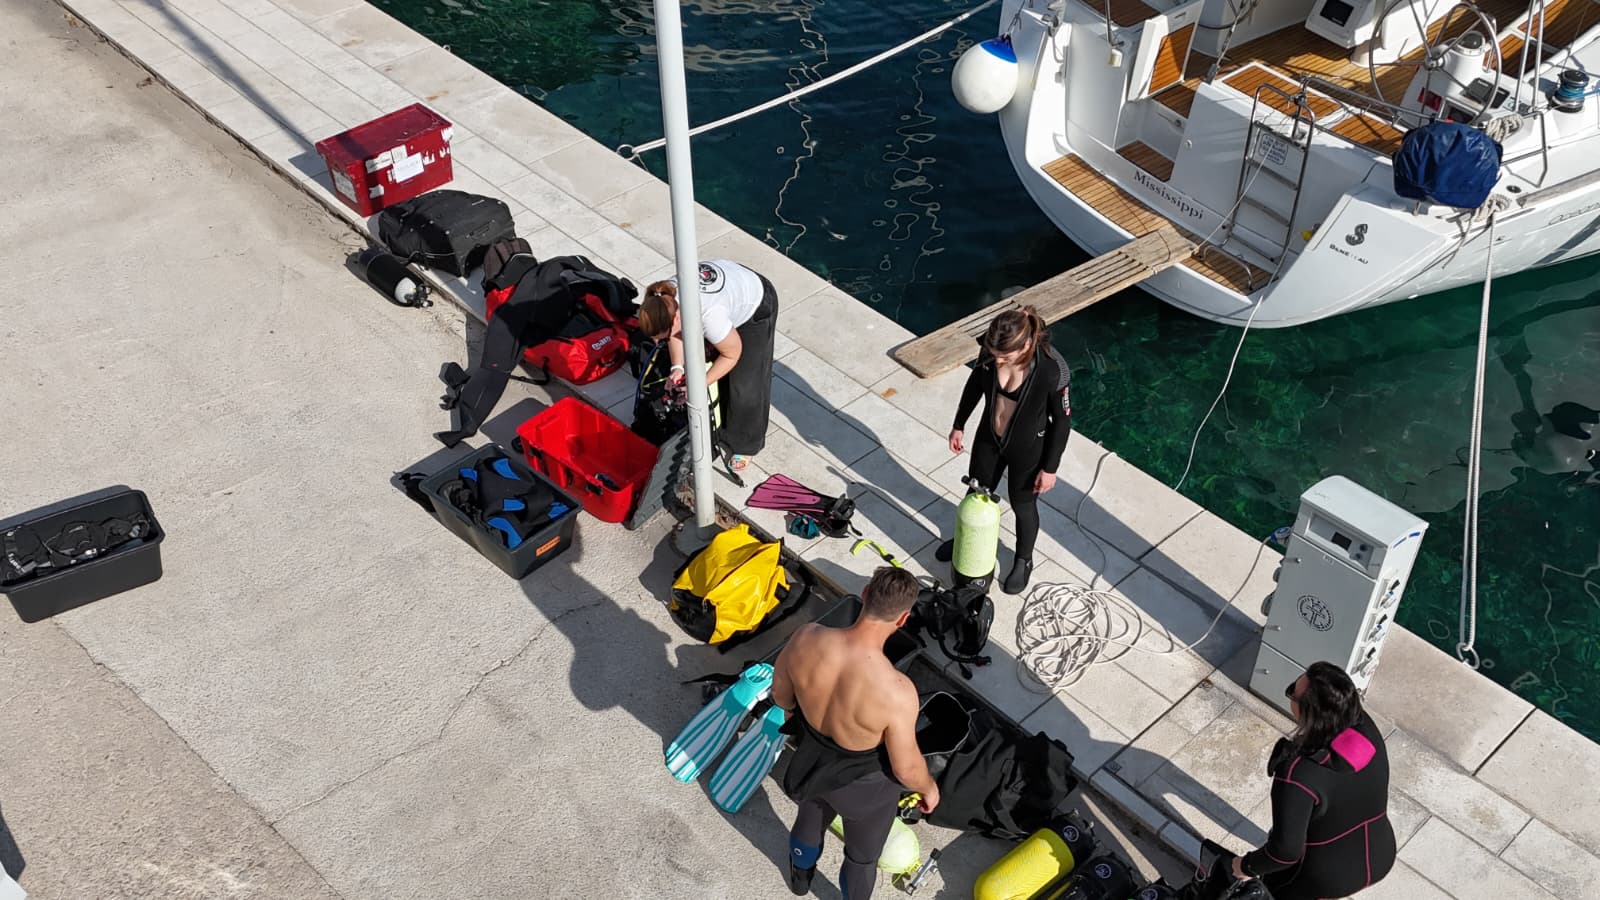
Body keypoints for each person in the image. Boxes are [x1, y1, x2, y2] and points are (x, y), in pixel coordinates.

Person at [773, 566, 940, 899]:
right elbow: (905, 768)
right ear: (903, 619)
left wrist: (803, 721)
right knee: (862, 858)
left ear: (864, 595)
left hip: (811, 759)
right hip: (863, 788)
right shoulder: (896, 691)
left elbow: (781, 695)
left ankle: (800, 878)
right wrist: (929, 788)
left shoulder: (807, 636)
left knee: (810, 817)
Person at [1230, 662, 1395, 899]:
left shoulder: (1297, 771)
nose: (1290, 694)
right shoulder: (1366, 729)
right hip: (1380, 853)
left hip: (1324, 877)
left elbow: (1284, 853)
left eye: (1292, 693)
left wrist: (1246, 866)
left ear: (1308, 713)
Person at [939, 306, 1072, 595]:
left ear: (1025, 345)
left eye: (1005, 357)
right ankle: (965, 538)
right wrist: (959, 424)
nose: (997, 360)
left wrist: (1050, 468)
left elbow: (1062, 422)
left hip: (1028, 448)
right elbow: (974, 385)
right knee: (976, 493)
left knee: (1022, 505)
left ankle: (1024, 559)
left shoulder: (1051, 369)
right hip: (989, 438)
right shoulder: (991, 351)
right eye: (994, 354)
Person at [637, 259, 779, 470]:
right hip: (732, 285)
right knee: (717, 368)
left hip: (756, 303)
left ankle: (746, 444)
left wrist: (698, 384)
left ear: (675, 319)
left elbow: (732, 354)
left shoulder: (709, 316)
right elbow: (675, 334)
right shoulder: (663, 297)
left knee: (746, 384)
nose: (659, 342)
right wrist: (677, 368)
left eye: (661, 336)